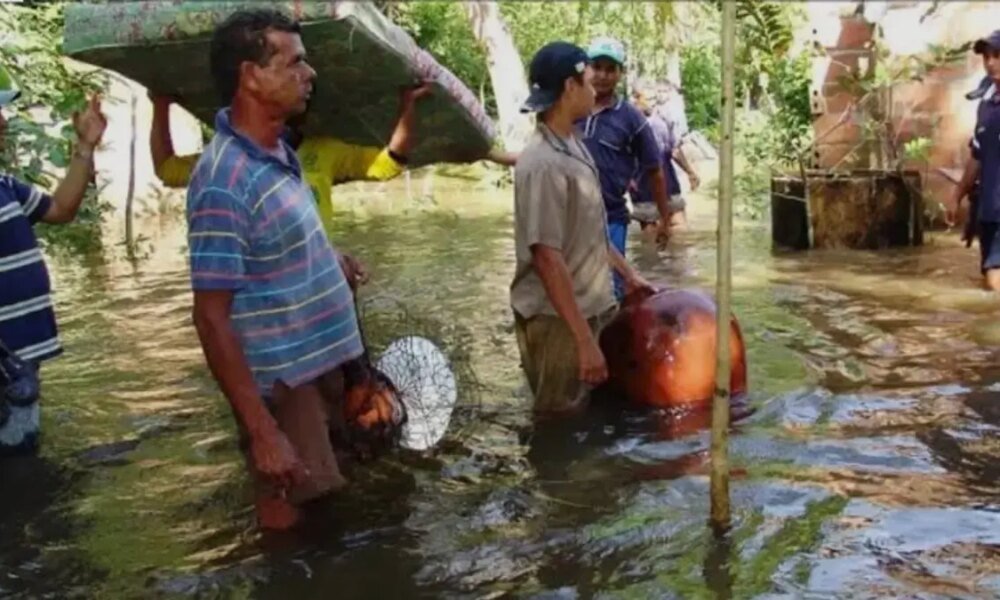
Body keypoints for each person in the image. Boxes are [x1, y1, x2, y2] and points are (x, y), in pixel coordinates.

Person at [186, 9, 406, 531]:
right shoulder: (222, 178)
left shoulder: (279, 153)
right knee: (293, 527)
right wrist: (263, 432)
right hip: (287, 390)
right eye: (296, 63)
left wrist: (329, 263)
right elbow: (210, 319)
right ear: (251, 75)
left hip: (322, 373)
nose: (310, 75)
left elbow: (274, 250)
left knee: (330, 512)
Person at [512, 41, 652, 417]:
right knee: (561, 425)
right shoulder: (543, 164)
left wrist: (629, 275)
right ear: (570, 88)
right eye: (589, 82)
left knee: (591, 415)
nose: (596, 90)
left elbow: (591, 231)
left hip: (589, 310)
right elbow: (546, 256)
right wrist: (582, 340)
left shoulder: (574, 144)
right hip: (558, 322)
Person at [151, 93, 517, 231]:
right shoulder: (228, 157)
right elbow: (168, 169)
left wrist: (407, 109)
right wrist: (161, 106)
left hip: (320, 274)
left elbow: (389, 163)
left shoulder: (323, 150)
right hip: (263, 289)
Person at [0, 64, 107, 453]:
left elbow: (61, 208)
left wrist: (86, 147)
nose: (2, 122)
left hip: (18, 359)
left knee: (23, 452)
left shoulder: (5, 185)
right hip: (6, 362)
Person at [576, 37, 671, 301]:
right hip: (571, 215)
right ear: (586, 69)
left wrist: (664, 220)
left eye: (611, 69)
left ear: (620, 74)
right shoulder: (571, 108)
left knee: (611, 290)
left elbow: (656, 170)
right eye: (597, 67)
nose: (603, 75)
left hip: (611, 217)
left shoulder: (631, 118)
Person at [947, 29, 1000, 291]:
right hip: (989, 210)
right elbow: (977, 157)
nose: (991, 63)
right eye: (986, 57)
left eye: (998, 56)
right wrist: (958, 196)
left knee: (993, 277)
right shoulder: (986, 107)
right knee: (987, 278)